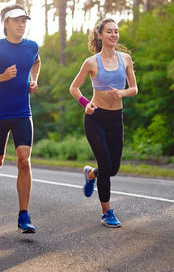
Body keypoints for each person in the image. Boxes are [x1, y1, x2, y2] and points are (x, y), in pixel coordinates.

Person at [0, 4, 41, 233]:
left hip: (23, 113)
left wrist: (33, 80)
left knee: (24, 161)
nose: (21, 24)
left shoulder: (32, 46)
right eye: (16, 20)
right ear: (6, 23)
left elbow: (37, 62)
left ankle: (24, 215)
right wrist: (2, 76)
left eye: (24, 20)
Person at [69, 18, 138, 227]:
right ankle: (107, 212)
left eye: (116, 31)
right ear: (100, 35)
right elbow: (74, 87)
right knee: (106, 165)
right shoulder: (91, 62)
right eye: (109, 31)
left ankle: (91, 174)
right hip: (95, 118)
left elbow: (134, 88)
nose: (114, 35)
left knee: (113, 168)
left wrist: (122, 92)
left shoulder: (125, 58)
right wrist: (85, 104)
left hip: (116, 119)